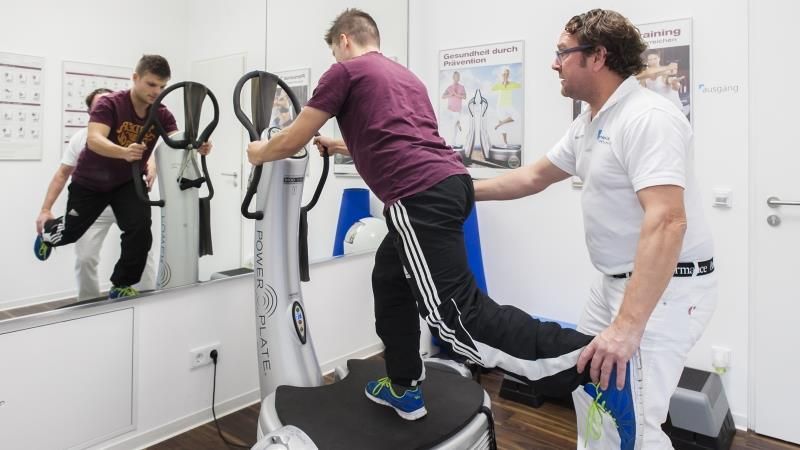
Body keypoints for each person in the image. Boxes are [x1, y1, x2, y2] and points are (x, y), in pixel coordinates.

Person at [247, 8, 622, 425]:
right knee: (390, 278)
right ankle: (404, 387)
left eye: (335, 52)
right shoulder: (406, 78)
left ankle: (590, 363)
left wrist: (257, 151)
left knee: (458, 317)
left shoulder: (345, 72)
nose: (336, 60)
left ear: (345, 41)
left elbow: (292, 137)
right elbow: (399, 142)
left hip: (416, 196)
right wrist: (339, 147)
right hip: (451, 184)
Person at [475, 9, 716, 449]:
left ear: (597, 56)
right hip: (611, 283)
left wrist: (627, 327)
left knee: (634, 422)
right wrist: (456, 193)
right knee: (590, 391)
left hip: (665, 289)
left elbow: (668, 220)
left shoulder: (646, 118)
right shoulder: (592, 121)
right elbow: (532, 178)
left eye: (562, 53)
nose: (555, 64)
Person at [34, 54, 212, 300]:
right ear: (135, 77)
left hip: (127, 183)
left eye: (162, 86)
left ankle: (121, 284)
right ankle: (48, 234)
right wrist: (124, 152)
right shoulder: (109, 103)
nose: (156, 91)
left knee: (140, 231)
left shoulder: (161, 113)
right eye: (151, 84)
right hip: (90, 183)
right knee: (71, 233)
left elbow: (178, 141)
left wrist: (198, 145)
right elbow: (95, 140)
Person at [35, 88, 156, 300]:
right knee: (85, 258)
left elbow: (150, 150)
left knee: (142, 249)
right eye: (100, 107)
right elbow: (62, 174)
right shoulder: (81, 140)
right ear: (92, 114)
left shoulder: (132, 130)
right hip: (94, 206)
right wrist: (46, 209)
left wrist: (152, 164)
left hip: (125, 202)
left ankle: (143, 297)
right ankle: (88, 305)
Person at [491, 66, 521, 147]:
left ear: (509, 75)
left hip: (508, 105)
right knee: (504, 127)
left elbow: (520, 85)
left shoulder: (512, 84)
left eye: (507, 74)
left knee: (517, 116)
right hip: (500, 106)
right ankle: (505, 143)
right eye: (504, 74)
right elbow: (492, 88)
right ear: (502, 75)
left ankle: (500, 123)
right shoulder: (499, 84)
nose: (506, 75)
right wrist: (502, 83)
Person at [441, 71, 466, 148]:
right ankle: (451, 143)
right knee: (452, 126)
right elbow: (443, 96)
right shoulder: (449, 87)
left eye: (458, 76)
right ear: (453, 77)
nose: (456, 78)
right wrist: (450, 94)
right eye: (455, 76)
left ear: (459, 78)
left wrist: (456, 95)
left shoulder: (462, 87)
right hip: (450, 109)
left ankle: (453, 142)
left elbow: (464, 97)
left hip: (458, 109)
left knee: (454, 127)